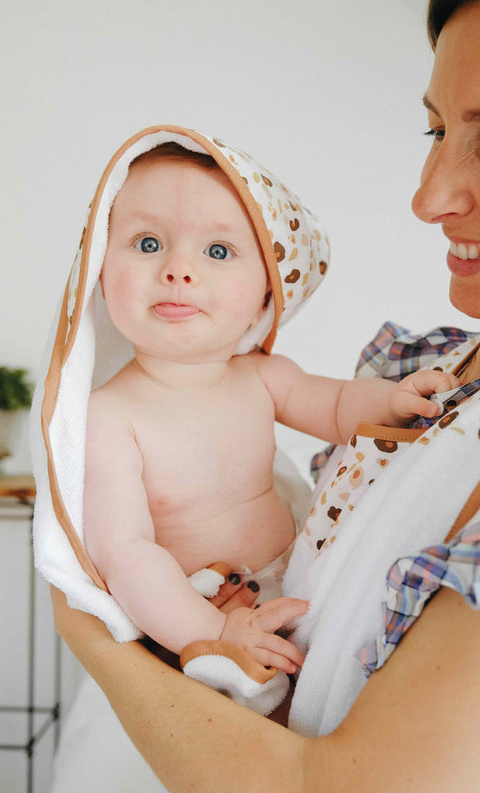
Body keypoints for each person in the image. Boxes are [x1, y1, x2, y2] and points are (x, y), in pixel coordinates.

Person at [0, 0, 480, 793]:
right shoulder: (413, 372)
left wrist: (93, 637)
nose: (426, 195)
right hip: (202, 723)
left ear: (263, 289)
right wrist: (200, 626)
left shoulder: (274, 378)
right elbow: (335, 420)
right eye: (435, 128)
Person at [83, 140, 457, 674]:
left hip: (302, 582)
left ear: (266, 296)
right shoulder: (109, 417)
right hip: (199, 613)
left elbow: (337, 407)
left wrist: (393, 400)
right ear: (98, 269)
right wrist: (213, 634)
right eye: (147, 242)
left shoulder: (263, 377)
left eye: (217, 251)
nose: (178, 269)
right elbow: (125, 552)